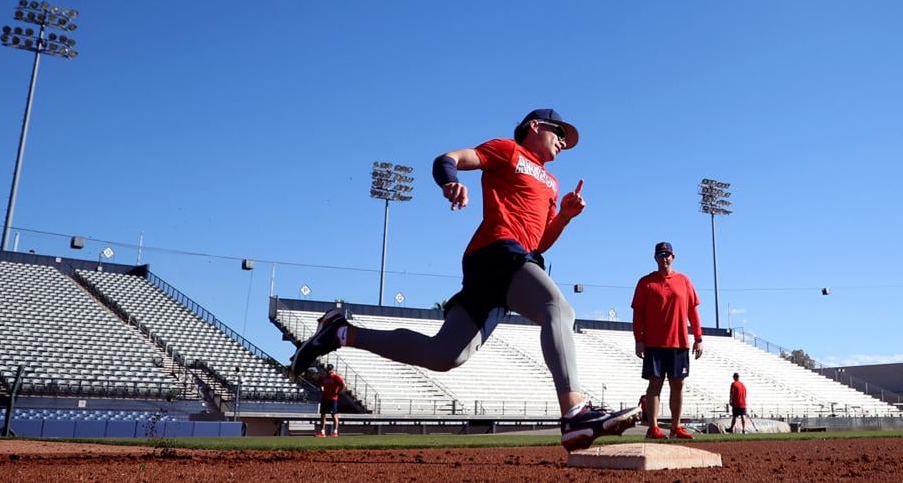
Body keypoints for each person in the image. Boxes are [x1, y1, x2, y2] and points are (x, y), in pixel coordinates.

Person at [290, 108, 641, 451]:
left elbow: (539, 242)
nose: (563, 141)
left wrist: (563, 216)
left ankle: (340, 332)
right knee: (558, 309)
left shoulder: (552, 182)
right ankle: (574, 412)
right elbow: (447, 158)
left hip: (514, 260)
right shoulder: (508, 149)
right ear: (535, 126)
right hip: (496, 252)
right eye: (559, 132)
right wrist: (451, 183)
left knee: (444, 355)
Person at [632, 241, 703, 440]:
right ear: (655, 258)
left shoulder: (684, 281)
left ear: (673, 257)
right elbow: (638, 313)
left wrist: (698, 338)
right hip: (654, 343)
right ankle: (653, 427)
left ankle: (676, 427)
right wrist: (639, 339)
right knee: (655, 385)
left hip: (679, 343)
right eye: (661, 255)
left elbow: (693, 311)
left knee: (678, 385)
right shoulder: (646, 282)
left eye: (667, 255)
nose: (664, 258)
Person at [316, 364, 345, 437]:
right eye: (327, 370)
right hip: (325, 398)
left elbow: (343, 384)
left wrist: (338, 392)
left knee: (334, 414)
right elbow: (320, 384)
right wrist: (322, 390)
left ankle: (335, 431)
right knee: (323, 414)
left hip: (332, 398)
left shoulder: (336, 377)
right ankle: (322, 432)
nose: (328, 371)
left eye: (330, 370)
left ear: (332, 370)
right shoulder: (324, 377)